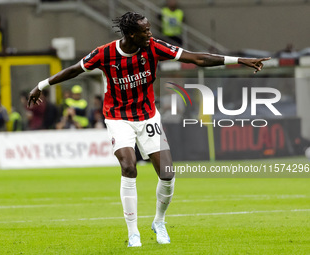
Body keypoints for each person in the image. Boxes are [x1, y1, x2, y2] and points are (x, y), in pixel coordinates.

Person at [28, 12, 270, 247]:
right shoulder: (105, 53)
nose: (149, 34)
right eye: (145, 31)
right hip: (118, 117)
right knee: (128, 166)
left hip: (148, 116)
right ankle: (133, 233)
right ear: (132, 34)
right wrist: (41, 85)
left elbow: (196, 58)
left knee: (167, 174)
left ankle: (159, 221)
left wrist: (238, 61)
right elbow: (75, 69)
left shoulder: (153, 47)